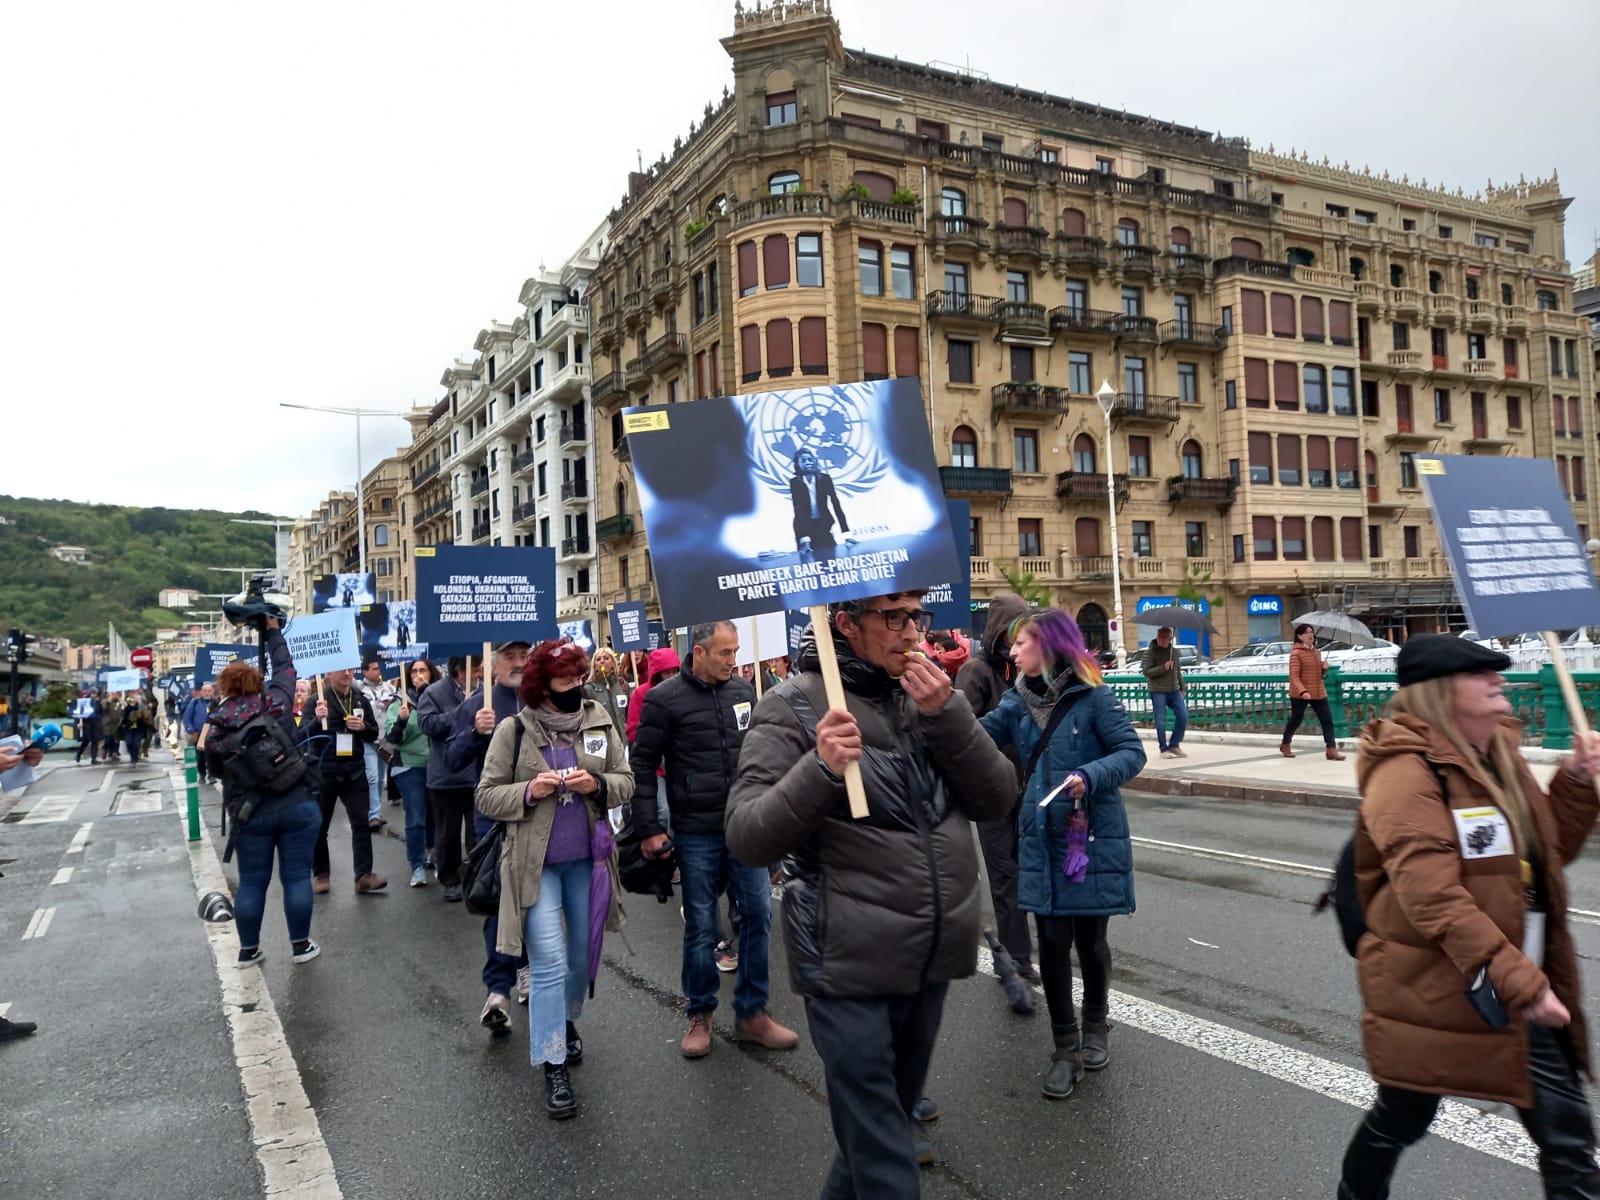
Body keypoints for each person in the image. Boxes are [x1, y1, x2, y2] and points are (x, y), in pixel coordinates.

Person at [727, 592, 1017, 1194]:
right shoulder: (793, 707)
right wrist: (822, 769)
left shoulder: (932, 697)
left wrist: (949, 715)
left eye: (916, 616)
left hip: (931, 954)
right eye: (892, 616)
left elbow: (996, 799)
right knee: (888, 1161)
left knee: (870, 1137)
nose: (911, 631)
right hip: (846, 960)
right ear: (846, 625)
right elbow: (748, 835)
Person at [1339, 634, 1600, 1198]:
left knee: (1567, 1136)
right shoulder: (1405, 772)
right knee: (1402, 1117)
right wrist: (1521, 985)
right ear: (1439, 693)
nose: (1498, 677)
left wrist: (1576, 783)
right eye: (1480, 673)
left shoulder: (1497, 755)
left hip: (1512, 973)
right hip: (1442, 983)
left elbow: (1541, 859)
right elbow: (1433, 897)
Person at [980, 608, 1145, 1100]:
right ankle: (1064, 1047)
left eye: (1020, 644)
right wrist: (933, 716)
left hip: (1087, 836)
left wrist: (1090, 776)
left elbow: (1131, 753)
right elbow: (974, 737)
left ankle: (1096, 1024)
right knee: (1051, 943)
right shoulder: (1017, 702)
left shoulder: (1095, 698)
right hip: (1039, 836)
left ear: (1048, 646)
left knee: (1090, 942)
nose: (1012, 653)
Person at [476, 639, 633, 1119]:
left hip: (589, 862)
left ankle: (565, 1022)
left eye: (580, 680)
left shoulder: (599, 720)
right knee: (546, 962)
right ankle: (553, 1063)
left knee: (582, 962)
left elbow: (626, 780)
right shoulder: (514, 730)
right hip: (534, 866)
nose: (575, 689)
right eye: (565, 682)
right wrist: (528, 790)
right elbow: (486, 796)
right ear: (542, 685)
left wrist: (599, 784)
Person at [631, 620, 796, 1058]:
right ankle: (700, 1013)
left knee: (759, 914)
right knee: (702, 925)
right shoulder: (663, 700)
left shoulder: (744, 691)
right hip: (697, 831)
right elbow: (643, 764)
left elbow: (761, 754)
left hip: (746, 825)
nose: (733, 660)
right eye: (725, 653)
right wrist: (649, 827)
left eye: (736, 651)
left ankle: (752, 1013)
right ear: (698, 652)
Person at [209, 617, 322, 967]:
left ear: (225, 687)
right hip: (297, 801)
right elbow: (286, 666)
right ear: (258, 683)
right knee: (297, 876)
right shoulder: (275, 703)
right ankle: (300, 946)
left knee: (253, 881)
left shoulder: (216, 724)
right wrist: (272, 630)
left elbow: (214, 770)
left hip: (250, 812)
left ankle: (248, 950)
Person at [444, 641, 533, 1031]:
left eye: (523, 657)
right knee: (500, 905)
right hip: (494, 821)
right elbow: (451, 758)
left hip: (541, 820)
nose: (518, 664)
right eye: (510, 658)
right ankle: (498, 989)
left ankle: (527, 967)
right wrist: (475, 733)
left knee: (536, 903)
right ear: (492, 666)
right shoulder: (480, 704)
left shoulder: (543, 701)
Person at [954, 593, 1037, 987]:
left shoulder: (1030, 671)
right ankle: (1018, 961)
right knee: (1006, 877)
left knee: (1033, 872)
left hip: (1031, 788)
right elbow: (962, 728)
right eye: (1009, 631)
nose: (1015, 640)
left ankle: (1027, 954)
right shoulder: (977, 671)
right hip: (992, 791)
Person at [300, 668, 384, 895]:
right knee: (319, 826)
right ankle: (321, 873)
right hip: (324, 772)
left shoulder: (359, 699)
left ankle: (364, 875)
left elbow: (374, 733)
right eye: (341, 670)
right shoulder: (316, 701)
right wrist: (318, 720)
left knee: (361, 823)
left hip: (354, 771)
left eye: (350, 669)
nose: (347, 673)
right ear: (329, 673)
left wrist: (364, 727)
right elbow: (301, 736)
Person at [418, 656, 476, 901]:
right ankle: (450, 879)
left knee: (478, 832)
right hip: (446, 776)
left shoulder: (485, 690)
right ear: (460, 671)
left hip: (476, 774)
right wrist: (460, 712)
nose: (481, 672)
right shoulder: (434, 693)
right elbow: (426, 724)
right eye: (477, 668)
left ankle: (477, 877)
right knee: (448, 833)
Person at [385, 658, 441, 888]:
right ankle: (417, 865)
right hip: (409, 766)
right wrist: (400, 720)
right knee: (416, 816)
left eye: (423, 670)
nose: (418, 674)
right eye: (414, 671)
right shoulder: (399, 703)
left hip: (437, 765)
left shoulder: (439, 698)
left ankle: (438, 859)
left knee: (438, 816)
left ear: (431, 673)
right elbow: (392, 738)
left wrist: (428, 695)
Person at [1280, 623, 1345, 760]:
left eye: (1312, 632)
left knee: (1327, 720)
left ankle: (1331, 750)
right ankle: (1285, 743)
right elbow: (1294, 676)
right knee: (1296, 719)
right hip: (1300, 694)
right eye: (1307, 632)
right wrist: (1303, 692)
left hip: (1319, 692)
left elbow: (1319, 675)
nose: (1311, 635)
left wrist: (1324, 669)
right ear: (1299, 636)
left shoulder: (1316, 652)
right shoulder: (1296, 654)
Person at [789, 448, 850, 560]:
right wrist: (805, 538)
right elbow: (799, 510)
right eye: (803, 460)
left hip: (823, 525)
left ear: (814, 461)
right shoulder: (795, 483)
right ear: (797, 464)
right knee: (808, 564)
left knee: (831, 560)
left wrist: (846, 533)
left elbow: (836, 504)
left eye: (810, 459)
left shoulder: (825, 479)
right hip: (803, 527)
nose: (808, 463)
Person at [358, 657, 397, 830]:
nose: (377, 671)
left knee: (380, 779)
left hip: (384, 740)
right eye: (373, 668)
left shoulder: (388, 687)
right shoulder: (359, 688)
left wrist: (391, 704)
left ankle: (376, 812)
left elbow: (398, 706)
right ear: (365, 671)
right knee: (371, 777)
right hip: (367, 739)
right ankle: (372, 814)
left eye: (378, 668)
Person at [1143, 627, 1188, 759]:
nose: (1162, 640)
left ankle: (1174, 744)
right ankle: (1163, 749)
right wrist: (1163, 668)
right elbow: (1147, 671)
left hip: (1173, 690)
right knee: (1160, 720)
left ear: (1170, 638)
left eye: (1165, 637)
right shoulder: (1150, 653)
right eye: (1160, 637)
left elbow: (1177, 671)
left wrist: (1182, 687)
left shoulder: (1174, 652)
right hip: (1158, 690)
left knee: (1183, 716)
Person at [625, 646, 680, 746]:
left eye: (674, 672)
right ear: (658, 674)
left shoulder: (683, 690)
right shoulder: (641, 693)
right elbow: (632, 730)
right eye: (667, 673)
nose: (672, 676)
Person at [584, 647, 631, 736]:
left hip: (623, 739)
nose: (602, 661)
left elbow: (629, 713)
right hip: (602, 738)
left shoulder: (622, 685)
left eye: (606, 658)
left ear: (613, 662)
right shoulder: (589, 689)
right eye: (598, 659)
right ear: (594, 665)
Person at [182, 683, 215, 781]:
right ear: (201, 692)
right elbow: (187, 718)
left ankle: (212, 775)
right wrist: (192, 731)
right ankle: (202, 774)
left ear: (212, 692)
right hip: (199, 733)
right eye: (205, 691)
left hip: (213, 733)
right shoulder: (195, 702)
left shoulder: (216, 702)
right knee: (200, 756)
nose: (207, 693)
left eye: (209, 691)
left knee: (212, 755)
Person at [71, 690, 102, 765]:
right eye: (92, 693)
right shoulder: (84, 702)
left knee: (95, 741)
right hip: (86, 724)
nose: (94, 695)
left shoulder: (97, 702)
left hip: (94, 724)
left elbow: (101, 712)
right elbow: (78, 713)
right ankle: (79, 754)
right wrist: (78, 722)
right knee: (85, 742)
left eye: (95, 693)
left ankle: (93, 758)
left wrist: (98, 719)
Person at [122, 690, 153, 763]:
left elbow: (147, 713)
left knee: (136, 744)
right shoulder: (125, 703)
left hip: (139, 727)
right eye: (131, 693)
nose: (133, 695)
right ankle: (132, 756)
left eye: (134, 693)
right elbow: (121, 714)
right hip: (128, 727)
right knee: (129, 743)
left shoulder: (141, 702)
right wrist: (123, 705)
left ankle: (134, 759)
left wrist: (140, 703)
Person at [101, 692, 123, 762]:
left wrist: (122, 704)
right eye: (113, 694)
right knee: (108, 739)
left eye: (115, 694)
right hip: (108, 724)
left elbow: (121, 711)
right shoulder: (105, 702)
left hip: (116, 724)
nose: (115, 696)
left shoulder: (118, 702)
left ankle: (114, 753)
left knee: (116, 740)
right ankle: (105, 749)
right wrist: (108, 701)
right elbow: (104, 709)